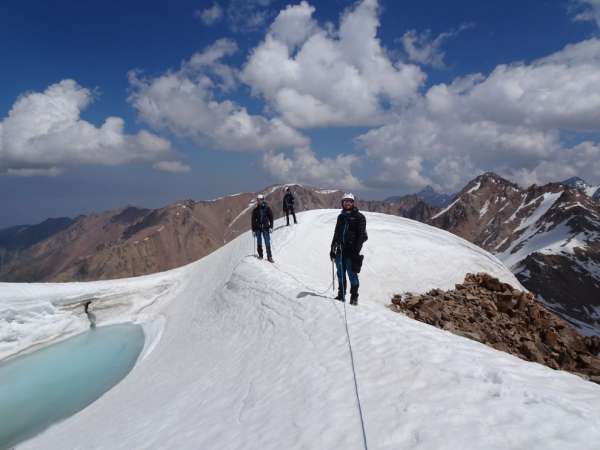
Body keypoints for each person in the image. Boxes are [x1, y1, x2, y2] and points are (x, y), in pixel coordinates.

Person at [329, 193, 367, 305]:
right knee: (340, 273)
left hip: (352, 252)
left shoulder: (359, 217)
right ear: (342, 203)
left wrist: (356, 251)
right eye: (345, 201)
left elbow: (361, 236)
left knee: (352, 275)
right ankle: (341, 295)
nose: (347, 203)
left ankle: (354, 297)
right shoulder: (341, 217)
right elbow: (336, 233)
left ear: (353, 203)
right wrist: (332, 249)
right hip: (340, 250)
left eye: (350, 201)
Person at [251, 194, 274, 262]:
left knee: (267, 241)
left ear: (263, 200)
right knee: (259, 241)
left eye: (260, 200)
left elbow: (271, 217)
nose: (259, 201)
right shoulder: (255, 210)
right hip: (258, 228)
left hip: (265, 227)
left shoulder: (267, 208)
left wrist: (271, 226)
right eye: (258, 200)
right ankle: (260, 255)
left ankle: (269, 256)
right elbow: (253, 220)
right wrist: (253, 230)